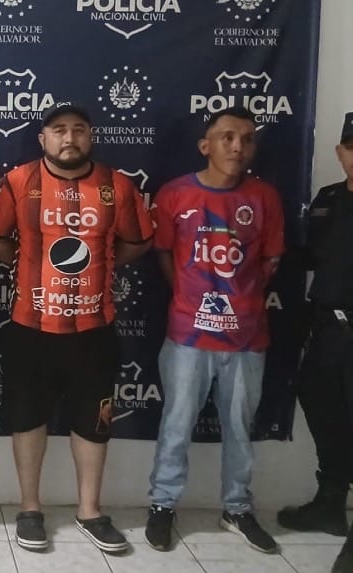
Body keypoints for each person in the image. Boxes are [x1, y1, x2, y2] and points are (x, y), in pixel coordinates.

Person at [0, 104, 153, 553]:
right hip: (30, 328)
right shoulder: (18, 181)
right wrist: (28, 264)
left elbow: (137, 242)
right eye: (58, 130)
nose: (69, 138)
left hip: (94, 330)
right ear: (43, 139)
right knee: (27, 420)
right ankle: (29, 509)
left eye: (78, 129)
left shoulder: (118, 186)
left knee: (94, 423)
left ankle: (90, 511)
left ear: (91, 136)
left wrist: (103, 266)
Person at [144, 106, 284, 554]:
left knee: (239, 429)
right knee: (177, 423)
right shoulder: (174, 194)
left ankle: (237, 508)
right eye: (227, 137)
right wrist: (190, 297)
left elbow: (271, 261)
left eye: (247, 138)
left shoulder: (265, 197)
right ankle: (163, 504)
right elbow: (164, 254)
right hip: (187, 335)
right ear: (205, 145)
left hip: (247, 338)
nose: (238, 146)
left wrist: (241, 302)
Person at [276, 112, 353, 573]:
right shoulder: (328, 200)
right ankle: (330, 503)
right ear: (341, 152)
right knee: (325, 414)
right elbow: (309, 256)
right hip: (327, 330)